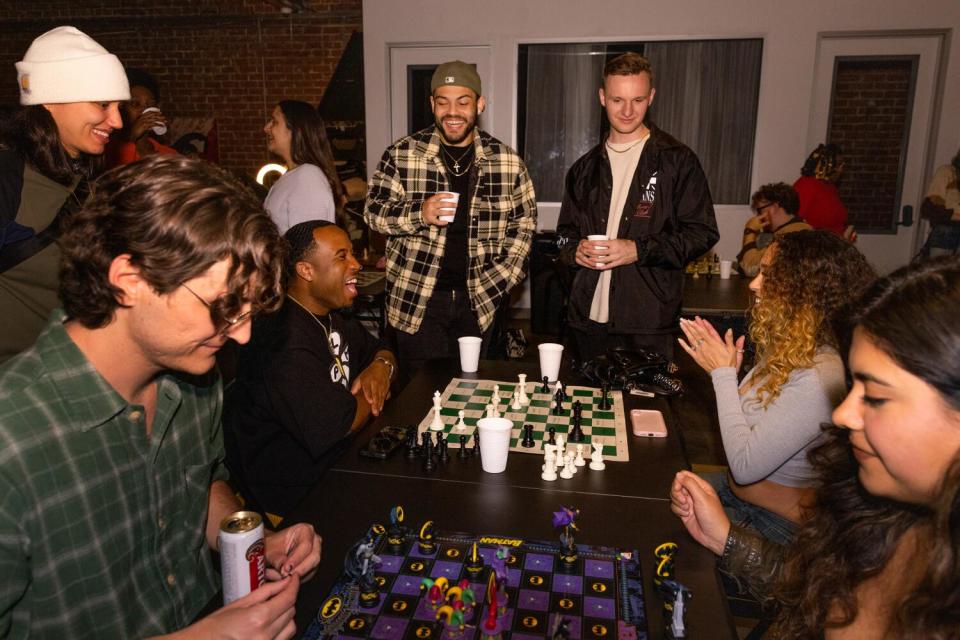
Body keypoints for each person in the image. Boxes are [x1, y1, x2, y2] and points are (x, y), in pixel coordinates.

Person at [0, 155, 321, 637]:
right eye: (225, 308)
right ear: (129, 280)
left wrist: (252, 542)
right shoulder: (12, 438)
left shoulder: (195, 379)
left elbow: (206, 483)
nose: (243, 336)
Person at [671, 256, 960, 638]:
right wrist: (724, 537)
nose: (841, 415)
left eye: (874, 395)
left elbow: (746, 467)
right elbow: (810, 584)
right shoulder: (895, 518)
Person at [678, 231, 875, 545]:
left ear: (805, 290)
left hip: (770, 523)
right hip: (741, 497)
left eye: (768, 275)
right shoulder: (793, 350)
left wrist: (724, 376)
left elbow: (744, 467)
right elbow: (745, 430)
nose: (755, 284)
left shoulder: (821, 373)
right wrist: (731, 374)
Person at [364, 61, 537, 376]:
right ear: (432, 104)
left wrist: (503, 280)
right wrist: (420, 213)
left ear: (479, 104)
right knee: (421, 397)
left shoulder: (508, 162)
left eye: (463, 102)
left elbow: (523, 228)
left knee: (475, 393)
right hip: (417, 301)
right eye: (443, 101)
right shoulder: (401, 155)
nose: (452, 111)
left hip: (481, 301)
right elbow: (374, 214)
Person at [225, 220, 397, 519]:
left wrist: (380, 368)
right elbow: (338, 425)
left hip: (337, 469)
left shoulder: (333, 315)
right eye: (342, 256)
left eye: (352, 254)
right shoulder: (281, 340)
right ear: (306, 271)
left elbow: (384, 348)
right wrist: (376, 388)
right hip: (292, 501)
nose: (356, 264)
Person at [556, 52, 719, 361]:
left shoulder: (677, 161)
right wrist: (574, 250)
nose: (628, 111)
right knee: (586, 408)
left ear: (652, 97)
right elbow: (564, 236)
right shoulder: (583, 169)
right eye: (618, 100)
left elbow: (702, 233)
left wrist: (637, 249)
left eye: (638, 100)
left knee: (645, 410)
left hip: (647, 323)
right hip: (585, 323)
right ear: (602, 98)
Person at [0, 26, 129, 364]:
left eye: (118, 106)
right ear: (51, 100)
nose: (116, 121)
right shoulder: (8, 179)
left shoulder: (85, 181)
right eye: (102, 104)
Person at [263, 100, 344, 232]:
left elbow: (308, 246)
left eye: (274, 121)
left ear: (295, 129)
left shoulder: (308, 178)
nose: (266, 128)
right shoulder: (297, 176)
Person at [104, 67, 177, 167]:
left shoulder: (168, 155)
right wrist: (131, 137)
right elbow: (114, 178)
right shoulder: (109, 151)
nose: (145, 110)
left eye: (151, 104)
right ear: (121, 109)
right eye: (135, 104)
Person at [736, 182, 811, 277]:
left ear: (774, 208)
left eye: (760, 210)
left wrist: (750, 231)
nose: (758, 216)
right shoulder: (800, 228)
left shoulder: (790, 236)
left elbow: (750, 268)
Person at [793, 143, 848, 236]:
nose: (841, 170)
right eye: (838, 165)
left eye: (842, 165)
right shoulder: (807, 185)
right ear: (825, 164)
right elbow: (794, 221)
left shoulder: (830, 187)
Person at [919, 147, 960, 256]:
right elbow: (929, 208)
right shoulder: (947, 172)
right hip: (946, 232)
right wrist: (954, 215)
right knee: (940, 270)